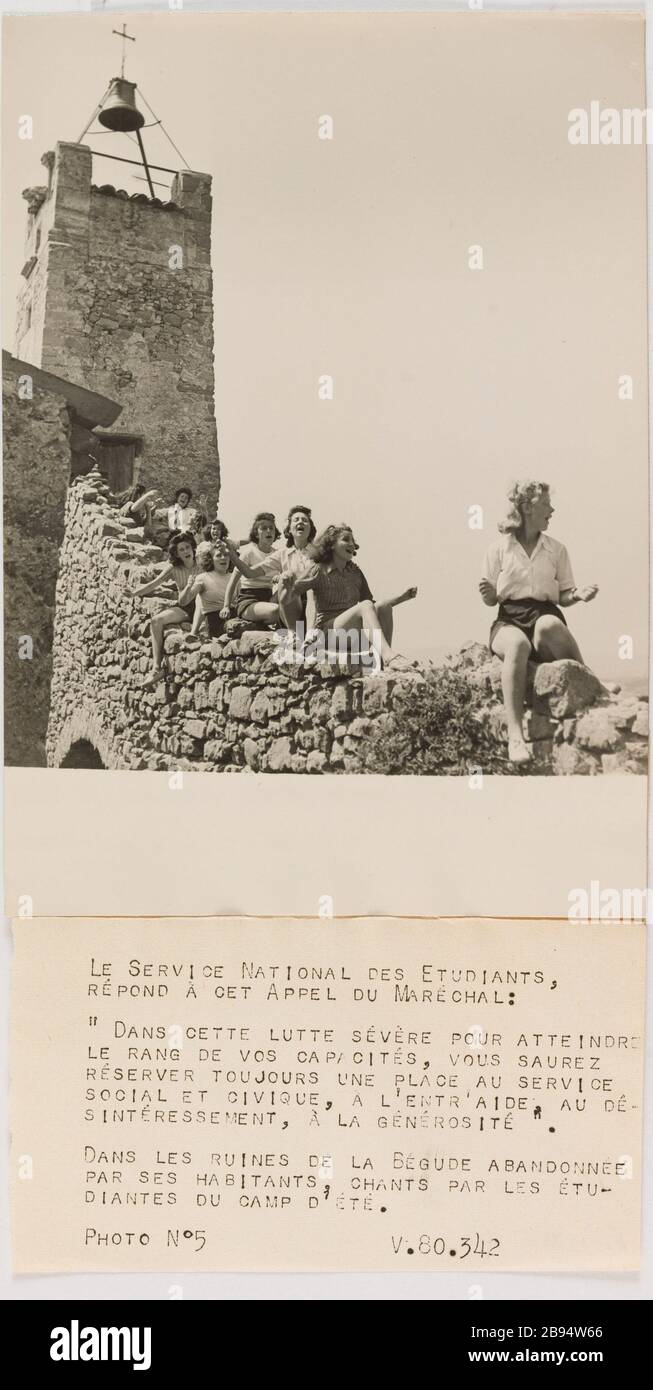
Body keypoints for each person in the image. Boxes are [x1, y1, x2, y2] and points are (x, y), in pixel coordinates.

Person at [480, 480, 599, 764]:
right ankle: (515, 738)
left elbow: (563, 596)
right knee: (517, 646)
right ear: (527, 507)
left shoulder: (557, 549)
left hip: (545, 611)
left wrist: (577, 594)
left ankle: (595, 683)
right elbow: (491, 601)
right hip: (508, 617)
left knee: (549, 626)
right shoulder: (498, 549)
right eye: (546, 504)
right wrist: (491, 594)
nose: (552, 509)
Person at [282, 522, 418, 670]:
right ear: (332, 545)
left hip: (350, 633)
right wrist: (285, 587)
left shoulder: (355, 572)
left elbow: (372, 606)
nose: (352, 544)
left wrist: (402, 598)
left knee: (383, 607)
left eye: (353, 541)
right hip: (326, 634)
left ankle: (382, 662)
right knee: (366, 605)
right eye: (346, 540)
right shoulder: (318, 570)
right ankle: (390, 657)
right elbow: (288, 599)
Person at [127, 530, 199, 684]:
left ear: (193, 547)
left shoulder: (203, 563)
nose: (186, 551)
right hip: (185, 606)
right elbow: (154, 584)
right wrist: (134, 593)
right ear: (177, 554)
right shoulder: (174, 568)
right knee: (156, 621)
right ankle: (156, 668)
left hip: (204, 605)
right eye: (181, 549)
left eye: (187, 547)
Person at [221, 512, 284, 624]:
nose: (269, 531)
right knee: (276, 610)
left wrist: (281, 576)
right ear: (256, 534)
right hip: (248, 599)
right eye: (264, 528)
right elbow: (233, 582)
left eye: (271, 528)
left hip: (269, 598)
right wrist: (226, 606)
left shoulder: (278, 554)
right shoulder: (249, 553)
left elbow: (286, 577)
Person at [277, 504, 318, 630]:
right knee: (285, 578)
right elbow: (252, 572)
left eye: (305, 520)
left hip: (316, 605)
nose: (300, 522)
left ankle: (310, 634)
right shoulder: (282, 554)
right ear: (289, 529)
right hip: (292, 606)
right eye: (296, 520)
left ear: (311, 529)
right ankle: (294, 634)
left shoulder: (319, 553)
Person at [188, 541, 232, 638]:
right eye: (219, 555)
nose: (223, 558)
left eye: (226, 555)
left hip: (233, 616)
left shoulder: (234, 577)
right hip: (215, 621)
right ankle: (194, 632)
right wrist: (188, 587)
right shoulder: (203, 578)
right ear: (211, 559)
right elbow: (188, 598)